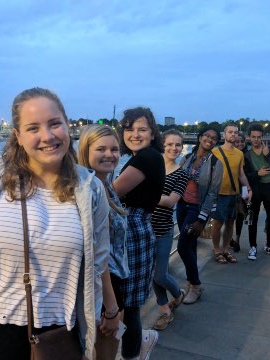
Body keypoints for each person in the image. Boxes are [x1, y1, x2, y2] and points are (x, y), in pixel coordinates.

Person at [0, 88, 109, 360]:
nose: (47, 136)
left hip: (59, 333)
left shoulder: (90, 190)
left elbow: (98, 263)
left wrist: (96, 328)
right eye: (33, 127)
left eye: (55, 123)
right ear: (18, 137)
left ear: (67, 125)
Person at [112, 107, 165, 360]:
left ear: (153, 133)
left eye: (142, 129)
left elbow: (111, 194)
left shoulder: (146, 158)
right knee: (126, 304)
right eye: (129, 129)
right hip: (136, 230)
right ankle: (138, 344)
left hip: (132, 232)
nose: (135, 134)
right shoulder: (142, 158)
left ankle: (132, 355)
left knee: (128, 306)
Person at [78, 124, 129, 360]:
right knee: (103, 353)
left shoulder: (106, 184)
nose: (110, 154)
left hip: (117, 281)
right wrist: (110, 306)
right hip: (103, 289)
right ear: (85, 152)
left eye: (115, 149)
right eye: (101, 149)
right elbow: (98, 254)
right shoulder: (88, 191)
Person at [177, 126, 223, 304]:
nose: (209, 140)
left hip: (196, 210)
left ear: (216, 143)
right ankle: (190, 282)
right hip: (181, 206)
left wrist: (202, 219)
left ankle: (196, 285)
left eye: (213, 138)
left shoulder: (215, 163)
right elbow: (178, 179)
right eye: (207, 136)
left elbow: (213, 193)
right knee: (190, 246)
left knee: (182, 246)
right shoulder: (188, 158)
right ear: (200, 137)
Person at [151, 129, 189, 330]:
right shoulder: (152, 168)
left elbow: (170, 201)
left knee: (160, 275)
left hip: (163, 229)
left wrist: (143, 196)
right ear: (162, 145)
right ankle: (165, 310)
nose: (174, 148)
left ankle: (178, 294)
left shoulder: (181, 174)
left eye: (178, 145)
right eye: (170, 144)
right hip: (143, 228)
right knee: (152, 273)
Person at [211, 124, 252, 264]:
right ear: (224, 134)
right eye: (230, 132)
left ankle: (225, 249)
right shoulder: (215, 151)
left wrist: (248, 188)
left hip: (233, 194)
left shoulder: (239, 154)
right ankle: (217, 250)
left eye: (235, 132)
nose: (233, 134)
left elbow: (241, 174)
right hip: (219, 194)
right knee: (217, 224)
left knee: (230, 224)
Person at [244, 124, 270, 260]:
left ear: (262, 137)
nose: (256, 140)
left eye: (258, 137)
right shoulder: (246, 155)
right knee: (252, 219)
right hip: (256, 189)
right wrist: (257, 173)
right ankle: (252, 247)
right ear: (249, 137)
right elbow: (245, 175)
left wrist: (268, 156)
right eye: (253, 137)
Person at [230, 132, 247, 252]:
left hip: (243, 190)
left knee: (240, 215)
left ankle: (237, 239)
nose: (239, 143)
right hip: (229, 190)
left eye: (242, 141)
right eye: (237, 141)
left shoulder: (247, 156)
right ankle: (229, 238)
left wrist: (247, 190)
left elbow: (248, 175)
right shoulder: (229, 155)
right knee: (229, 216)